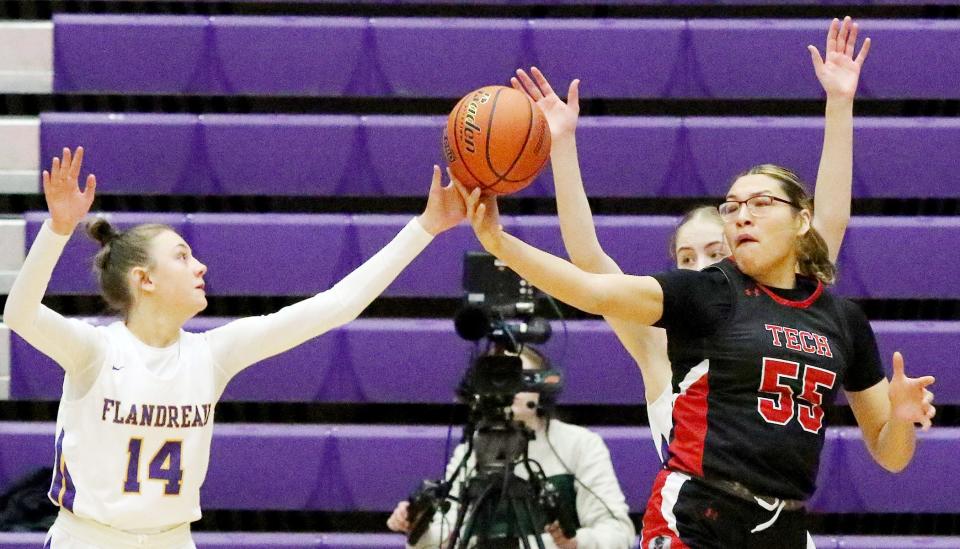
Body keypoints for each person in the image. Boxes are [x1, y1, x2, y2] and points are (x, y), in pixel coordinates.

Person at [454, 138, 936, 547]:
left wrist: (899, 417)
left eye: (760, 204)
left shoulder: (835, 317)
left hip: (784, 522)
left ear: (799, 220)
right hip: (699, 511)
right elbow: (593, 281)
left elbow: (893, 456)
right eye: (732, 208)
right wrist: (499, 241)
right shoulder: (707, 294)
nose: (742, 216)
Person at [2, 148, 465, 548]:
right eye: (182, 257)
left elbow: (337, 306)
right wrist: (57, 229)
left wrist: (424, 228)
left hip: (172, 538)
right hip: (88, 538)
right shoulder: (96, 351)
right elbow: (20, 315)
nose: (200, 265)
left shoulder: (211, 354)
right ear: (144, 279)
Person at [509, 16, 871, 461]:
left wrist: (839, 102)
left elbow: (827, 223)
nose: (700, 266)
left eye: (714, 252)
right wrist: (562, 146)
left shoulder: (784, 308)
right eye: (686, 257)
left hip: (780, 519)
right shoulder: (656, 338)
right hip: (695, 522)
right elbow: (587, 257)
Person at [386, 345, 635, 549]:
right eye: (499, 378)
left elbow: (619, 534)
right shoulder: (473, 448)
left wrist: (575, 543)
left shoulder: (579, 444)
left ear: (541, 388)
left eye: (519, 377)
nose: (510, 389)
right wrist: (419, 527)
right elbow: (446, 535)